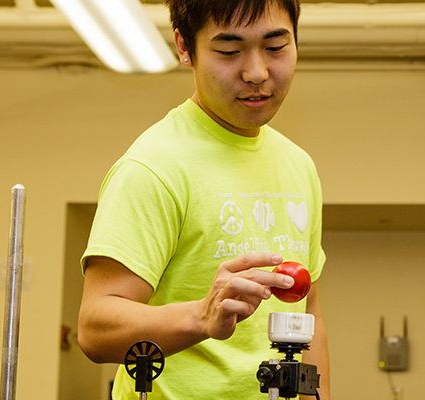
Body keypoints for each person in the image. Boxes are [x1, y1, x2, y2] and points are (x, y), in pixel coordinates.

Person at [76, 0, 330, 399]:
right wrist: (201, 315)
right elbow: (95, 327)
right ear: (184, 47)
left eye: (276, 47)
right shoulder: (154, 167)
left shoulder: (298, 165)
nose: (257, 72)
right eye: (229, 51)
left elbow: (308, 312)